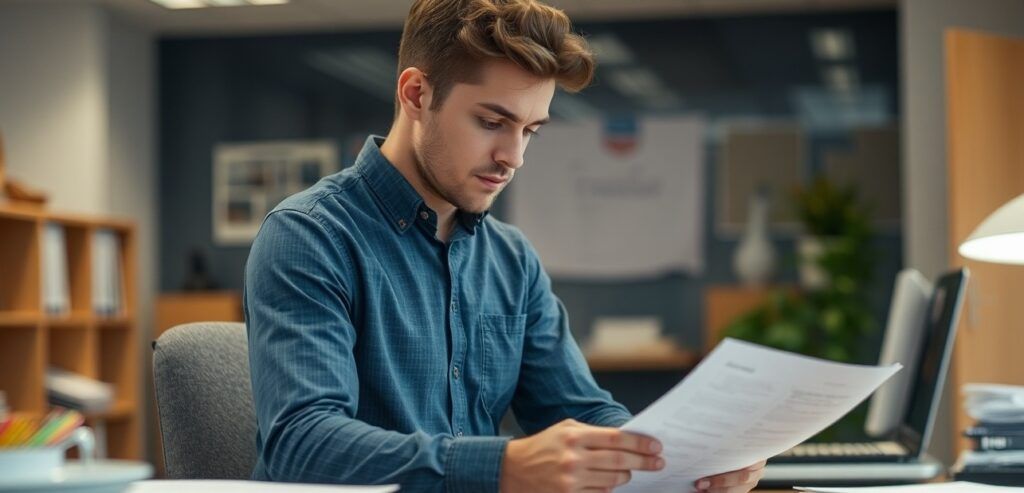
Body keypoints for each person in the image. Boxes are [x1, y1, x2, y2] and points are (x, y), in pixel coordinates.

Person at [244, 0, 766, 491]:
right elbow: (302, 442)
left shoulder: (511, 260)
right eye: (492, 123)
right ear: (416, 94)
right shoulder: (308, 236)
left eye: (531, 131)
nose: (513, 156)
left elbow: (578, 410)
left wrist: (684, 460)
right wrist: (502, 466)